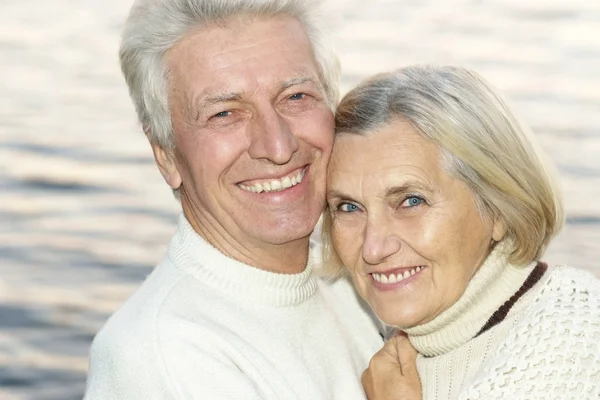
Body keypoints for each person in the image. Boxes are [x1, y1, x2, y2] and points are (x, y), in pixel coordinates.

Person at [83, 0, 384, 398]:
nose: (277, 146)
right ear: (166, 155)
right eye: (224, 113)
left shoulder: (351, 280)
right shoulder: (166, 357)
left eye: (295, 96)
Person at [322, 65, 600, 399]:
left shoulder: (573, 338)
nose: (373, 247)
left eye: (411, 201)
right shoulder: (401, 344)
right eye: (349, 207)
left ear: (498, 206)